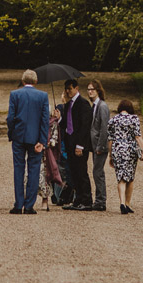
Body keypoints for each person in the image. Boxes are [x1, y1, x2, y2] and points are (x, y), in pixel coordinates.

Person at [5, 69, 49, 214]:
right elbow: (44, 121)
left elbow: (10, 118)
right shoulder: (43, 96)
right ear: (35, 82)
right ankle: (29, 205)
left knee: (18, 170)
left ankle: (18, 204)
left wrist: (11, 133)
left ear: (23, 81)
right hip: (35, 138)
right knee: (34, 169)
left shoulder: (15, 94)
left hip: (19, 137)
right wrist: (42, 140)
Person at [107, 99, 143, 214]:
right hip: (130, 150)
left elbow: (110, 140)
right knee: (130, 177)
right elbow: (138, 136)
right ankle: (128, 203)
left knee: (121, 178)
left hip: (118, 150)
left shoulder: (113, 120)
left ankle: (122, 203)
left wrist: (110, 155)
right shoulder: (134, 119)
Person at [60, 79, 93, 210]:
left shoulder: (83, 104)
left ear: (76, 88)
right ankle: (78, 199)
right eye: (66, 89)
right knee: (73, 173)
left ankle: (87, 200)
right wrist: (60, 117)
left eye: (70, 88)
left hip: (79, 145)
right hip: (70, 144)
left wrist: (80, 145)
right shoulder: (68, 105)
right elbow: (65, 125)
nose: (68, 91)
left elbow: (85, 126)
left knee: (81, 172)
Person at [87, 79, 110, 211]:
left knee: (98, 172)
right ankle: (99, 200)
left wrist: (100, 146)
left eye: (92, 89)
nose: (90, 92)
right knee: (96, 172)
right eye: (89, 89)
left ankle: (101, 201)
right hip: (95, 145)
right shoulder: (95, 105)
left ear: (98, 91)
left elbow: (104, 128)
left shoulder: (102, 106)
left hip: (100, 146)